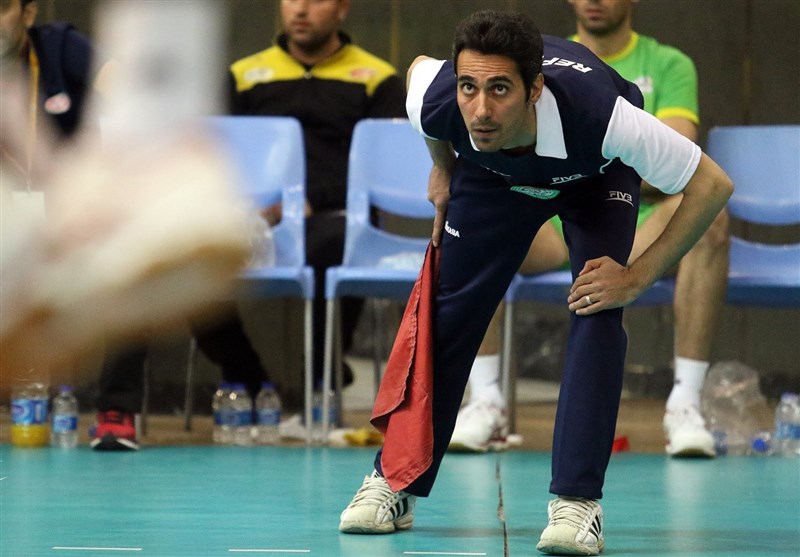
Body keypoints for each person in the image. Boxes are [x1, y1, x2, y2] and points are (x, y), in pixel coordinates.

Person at [337, 10, 732, 555]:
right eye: (469, 88)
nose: (480, 108)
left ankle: (577, 502)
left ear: (534, 89)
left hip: (595, 177)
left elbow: (713, 185)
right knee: (447, 311)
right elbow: (419, 81)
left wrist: (637, 276)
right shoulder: (440, 98)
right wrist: (444, 166)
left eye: (500, 89)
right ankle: (394, 480)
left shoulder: (605, 117)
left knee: (597, 307)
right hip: (493, 174)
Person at [450, 0, 729, 458]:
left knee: (713, 220)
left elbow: (671, 169)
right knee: (472, 222)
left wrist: (597, 162)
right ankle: (485, 400)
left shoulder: (668, 64)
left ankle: (685, 404)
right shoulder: (536, 60)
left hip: (629, 223)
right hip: (543, 222)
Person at [1, 1, 251, 404]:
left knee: (142, 255)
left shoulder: (59, 46)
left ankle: (116, 408)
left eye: (3, 8)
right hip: (22, 218)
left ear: (29, 14)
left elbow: (118, 82)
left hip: (74, 205)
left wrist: (125, 157)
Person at [227, 0, 406, 401]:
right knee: (185, 252)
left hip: (334, 216)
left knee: (342, 240)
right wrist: (257, 205)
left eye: (316, 0)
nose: (301, 10)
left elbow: (381, 171)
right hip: (258, 219)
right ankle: (250, 380)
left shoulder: (377, 79)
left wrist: (302, 200)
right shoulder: (243, 76)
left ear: (342, 9)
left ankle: (320, 379)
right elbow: (221, 158)